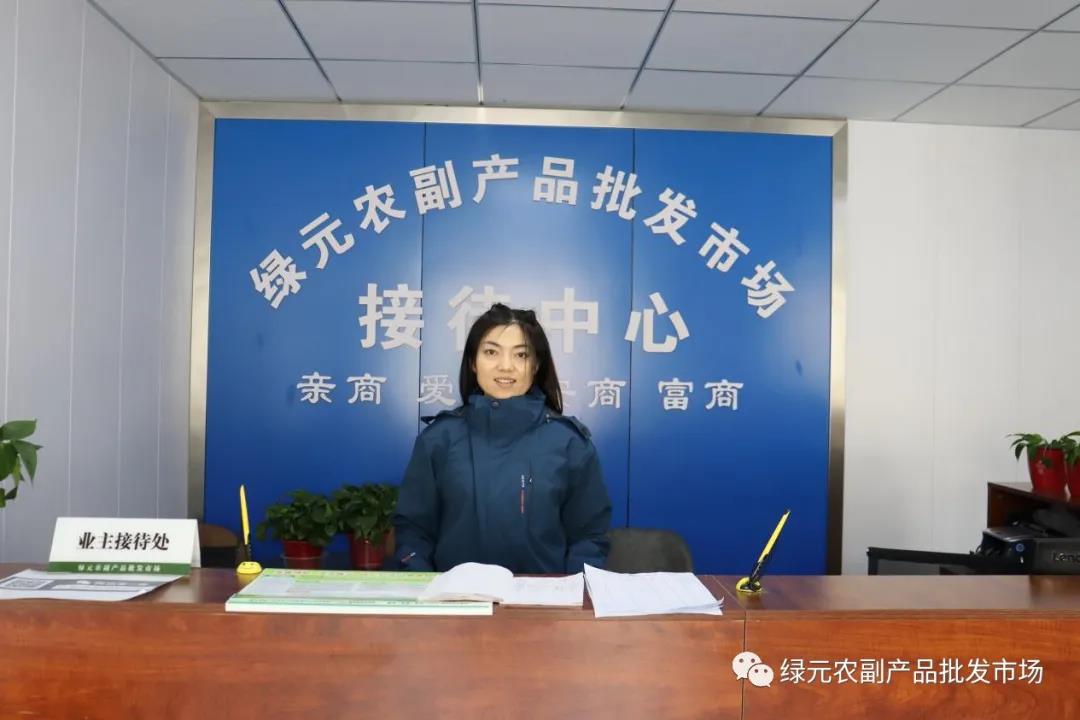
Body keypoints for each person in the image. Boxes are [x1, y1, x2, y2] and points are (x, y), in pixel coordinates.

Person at [393, 303, 612, 573]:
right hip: (455, 596)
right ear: (473, 362)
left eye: (521, 355)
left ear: (536, 365)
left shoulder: (569, 443)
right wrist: (425, 584)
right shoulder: (439, 439)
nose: (506, 366)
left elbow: (589, 536)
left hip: (544, 597)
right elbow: (414, 531)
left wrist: (569, 591)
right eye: (491, 352)